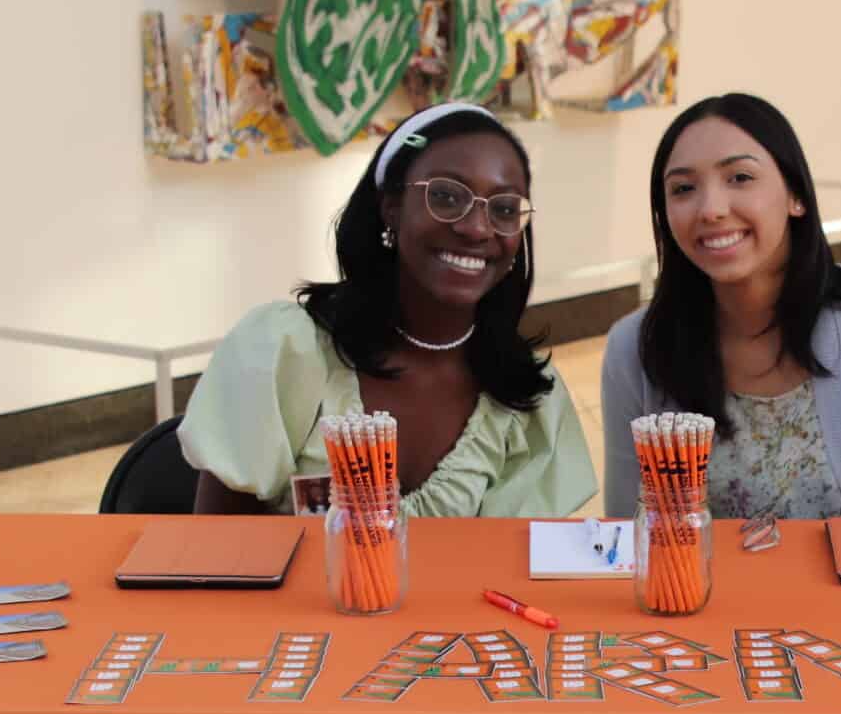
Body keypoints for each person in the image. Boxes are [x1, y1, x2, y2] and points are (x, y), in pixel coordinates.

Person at [182, 101, 596, 517]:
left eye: (504, 208)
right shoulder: (283, 352)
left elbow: (518, 569)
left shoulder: (527, 396)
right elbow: (215, 551)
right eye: (447, 197)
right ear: (391, 208)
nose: (476, 227)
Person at [600, 93, 841, 519]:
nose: (711, 209)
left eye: (740, 178)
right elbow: (628, 540)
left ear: (796, 196)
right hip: (700, 590)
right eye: (684, 188)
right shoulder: (636, 348)